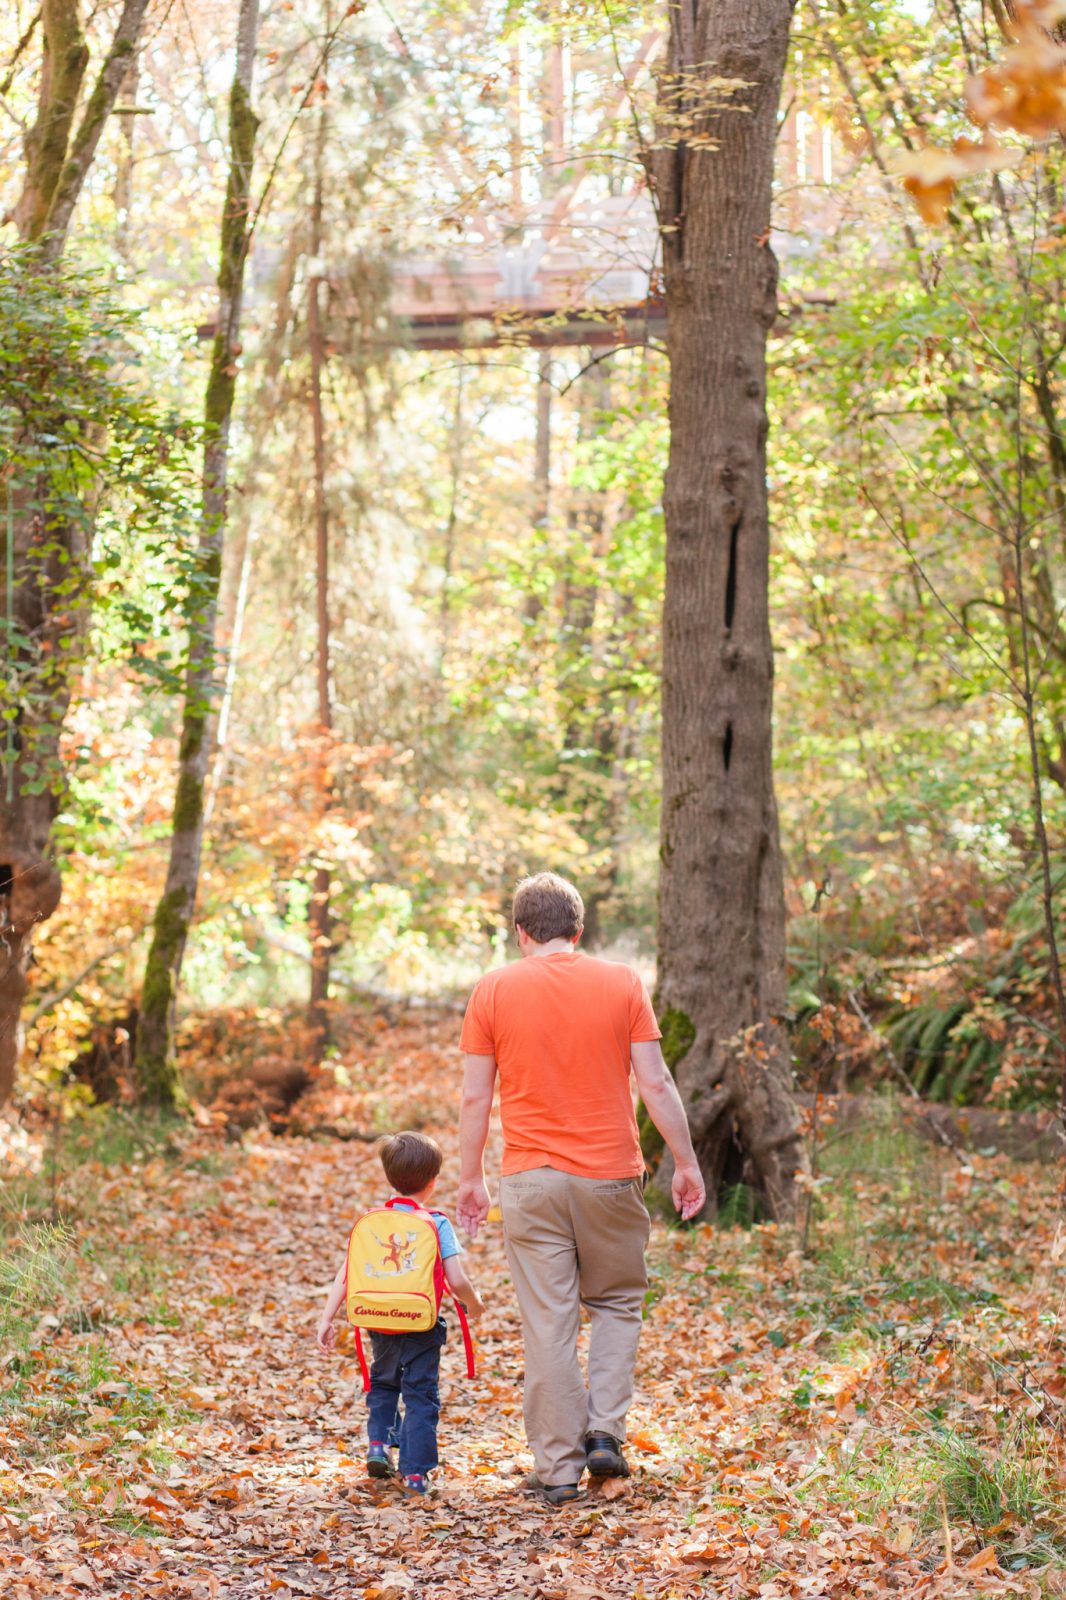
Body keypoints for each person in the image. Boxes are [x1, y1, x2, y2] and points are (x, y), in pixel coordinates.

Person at [457, 871, 706, 1507]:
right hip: (609, 1176)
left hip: (529, 1180)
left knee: (549, 1322)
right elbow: (655, 1084)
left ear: (520, 933)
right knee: (619, 1302)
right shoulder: (621, 982)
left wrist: (469, 1178)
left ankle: (558, 1470)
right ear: (579, 928)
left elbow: (474, 1095)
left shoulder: (492, 989)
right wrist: (686, 1162)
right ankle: (605, 1432)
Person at [317, 1130, 484, 1495]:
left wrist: (327, 1317)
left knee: (384, 1382)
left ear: (389, 1176)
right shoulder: (437, 1223)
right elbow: (456, 1279)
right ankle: (414, 1472)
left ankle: (378, 1445)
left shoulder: (371, 1221)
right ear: (433, 1181)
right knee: (420, 1395)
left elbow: (347, 1272)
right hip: (420, 1323)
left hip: (379, 1321)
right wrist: (474, 1303)